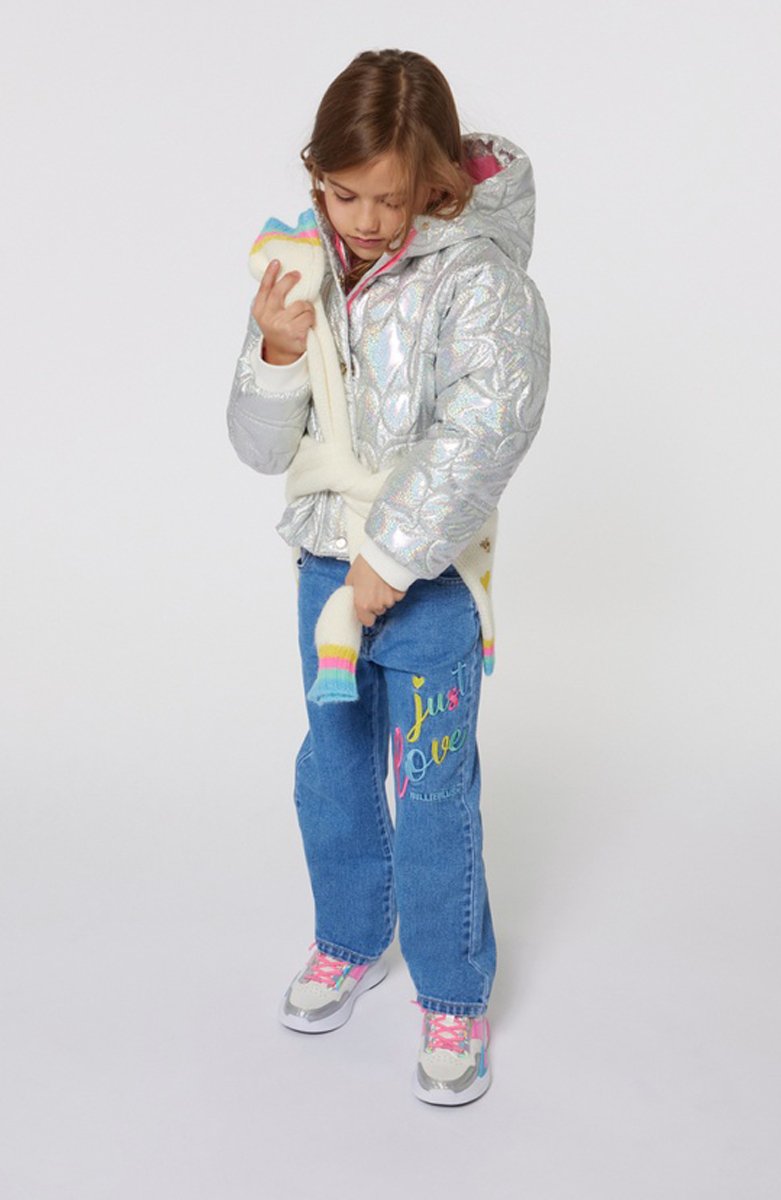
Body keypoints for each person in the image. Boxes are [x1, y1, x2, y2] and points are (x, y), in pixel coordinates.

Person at [226, 48, 550, 1106]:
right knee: (332, 770)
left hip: (428, 581)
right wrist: (275, 354)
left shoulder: (480, 280)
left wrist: (394, 555)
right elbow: (260, 449)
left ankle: (453, 992)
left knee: (434, 790)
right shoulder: (303, 266)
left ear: (436, 182)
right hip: (323, 571)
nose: (364, 221)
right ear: (316, 174)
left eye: (390, 199)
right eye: (343, 193)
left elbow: (484, 430)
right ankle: (350, 938)